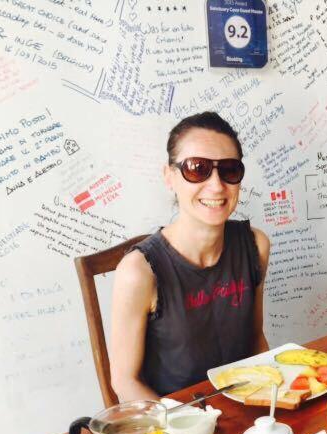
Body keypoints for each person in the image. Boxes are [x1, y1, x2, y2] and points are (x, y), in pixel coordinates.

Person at [109, 111, 270, 400]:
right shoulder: (139, 271)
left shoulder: (255, 245)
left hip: (248, 411)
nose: (217, 185)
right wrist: (185, 430)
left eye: (230, 170)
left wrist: (275, 402)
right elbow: (124, 382)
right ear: (169, 176)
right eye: (198, 168)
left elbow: (256, 342)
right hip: (175, 424)